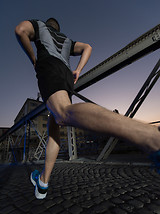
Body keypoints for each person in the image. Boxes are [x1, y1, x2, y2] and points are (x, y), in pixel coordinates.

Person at [15, 18, 160, 199]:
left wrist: (34, 59)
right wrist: (78, 70)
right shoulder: (67, 41)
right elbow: (88, 47)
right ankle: (43, 182)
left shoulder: (39, 25)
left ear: (47, 24)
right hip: (66, 74)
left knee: (62, 113)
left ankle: (152, 137)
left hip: (49, 67)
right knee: (55, 123)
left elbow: (21, 30)